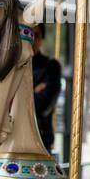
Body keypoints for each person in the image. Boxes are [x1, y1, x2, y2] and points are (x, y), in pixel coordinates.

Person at [29, 23, 62, 157]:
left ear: (41, 39)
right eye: (28, 34)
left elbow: (42, 106)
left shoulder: (51, 67)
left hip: (40, 141)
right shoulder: (11, 68)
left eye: (36, 35)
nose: (31, 39)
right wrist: (33, 93)